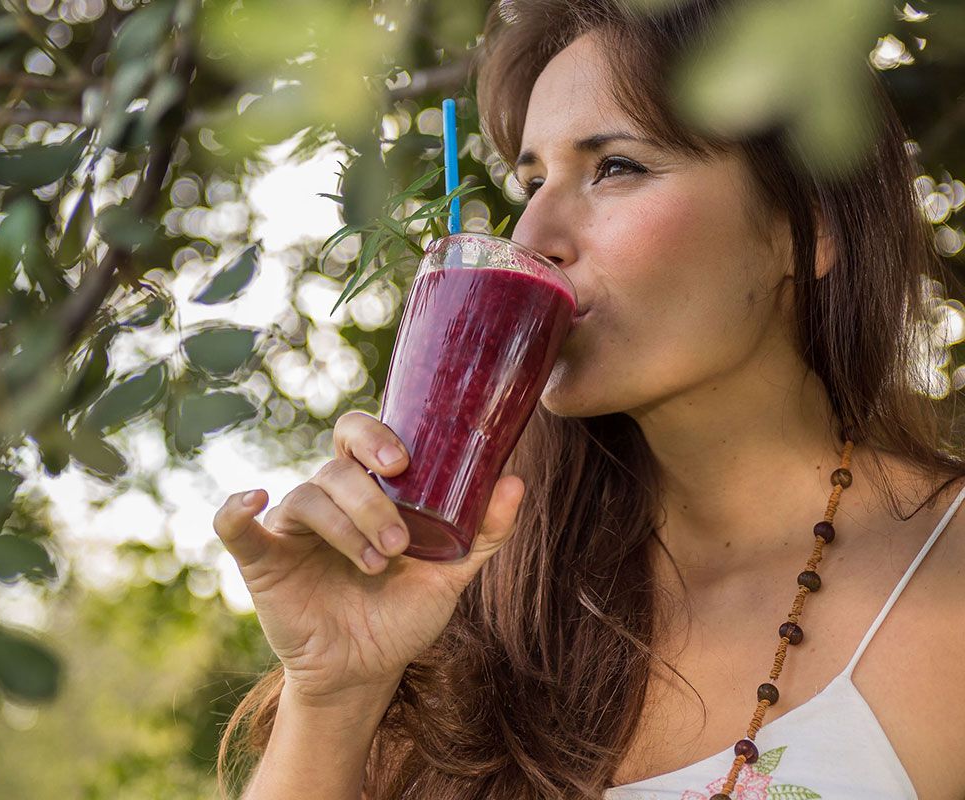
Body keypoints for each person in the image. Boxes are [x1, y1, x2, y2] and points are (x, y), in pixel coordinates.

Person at [211, 1, 965, 798]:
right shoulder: (473, 601)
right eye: (531, 181)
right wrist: (333, 692)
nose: (532, 234)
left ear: (803, 229)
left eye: (616, 167)